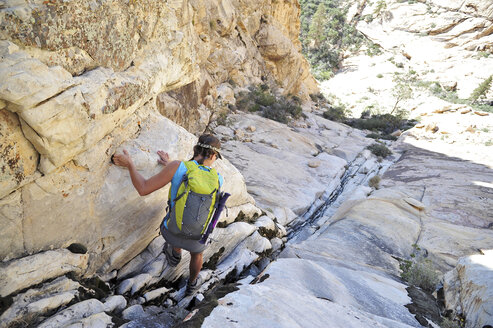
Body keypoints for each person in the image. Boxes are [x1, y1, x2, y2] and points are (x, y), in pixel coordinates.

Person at [112, 134, 224, 296]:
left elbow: (143, 188)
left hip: (170, 233)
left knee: (175, 211)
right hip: (196, 239)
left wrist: (130, 164)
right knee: (197, 252)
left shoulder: (178, 167)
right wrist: (171, 165)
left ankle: (175, 254)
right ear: (213, 156)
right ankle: (192, 284)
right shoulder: (218, 179)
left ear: (195, 149)